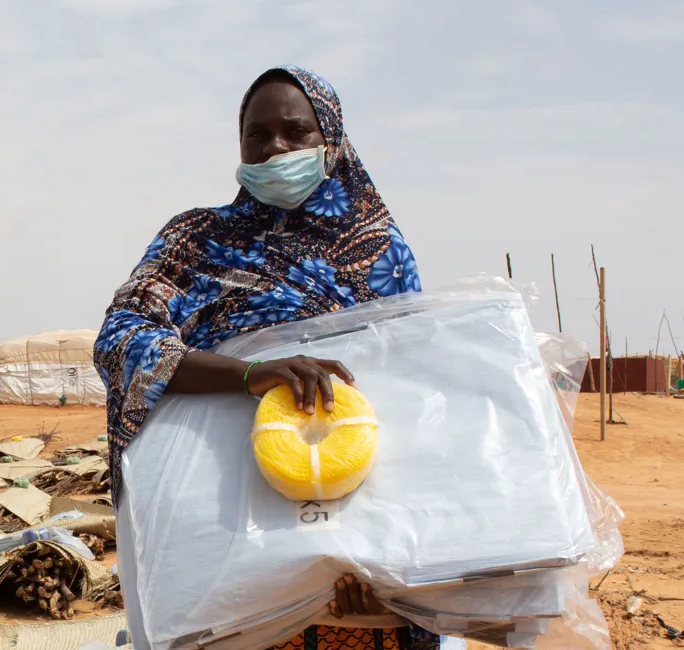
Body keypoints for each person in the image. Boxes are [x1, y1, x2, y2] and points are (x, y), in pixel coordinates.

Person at [94, 66, 438, 650]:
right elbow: (121, 337)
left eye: (295, 131)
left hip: (354, 562)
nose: (274, 147)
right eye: (257, 134)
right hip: (225, 552)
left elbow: (412, 393)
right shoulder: (196, 240)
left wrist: (398, 573)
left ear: (330, 142)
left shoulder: (380, 251)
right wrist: (249, 375)